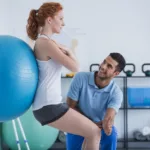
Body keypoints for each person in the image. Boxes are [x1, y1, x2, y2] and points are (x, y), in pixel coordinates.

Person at [26, 2, 101, 150]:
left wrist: (66, 50)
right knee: (94, 132)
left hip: (49, 104)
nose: (63, 23)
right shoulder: (44, 43)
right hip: (48, 105)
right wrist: (70, 51)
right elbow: (75, 67)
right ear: (49, 20)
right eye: (60, 18)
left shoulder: (47, 42)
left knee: (91, 132)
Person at [66, 53, 126, 150]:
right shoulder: (80, 78)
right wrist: (90, 123)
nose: (102, 66)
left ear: (116, 73)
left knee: (111, 134)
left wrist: (107, 125)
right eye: (104, 62)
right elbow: (70, 106)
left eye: (109, 66)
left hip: (99, 126)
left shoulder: (116, 93)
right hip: (78, 122)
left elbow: (109, 117)